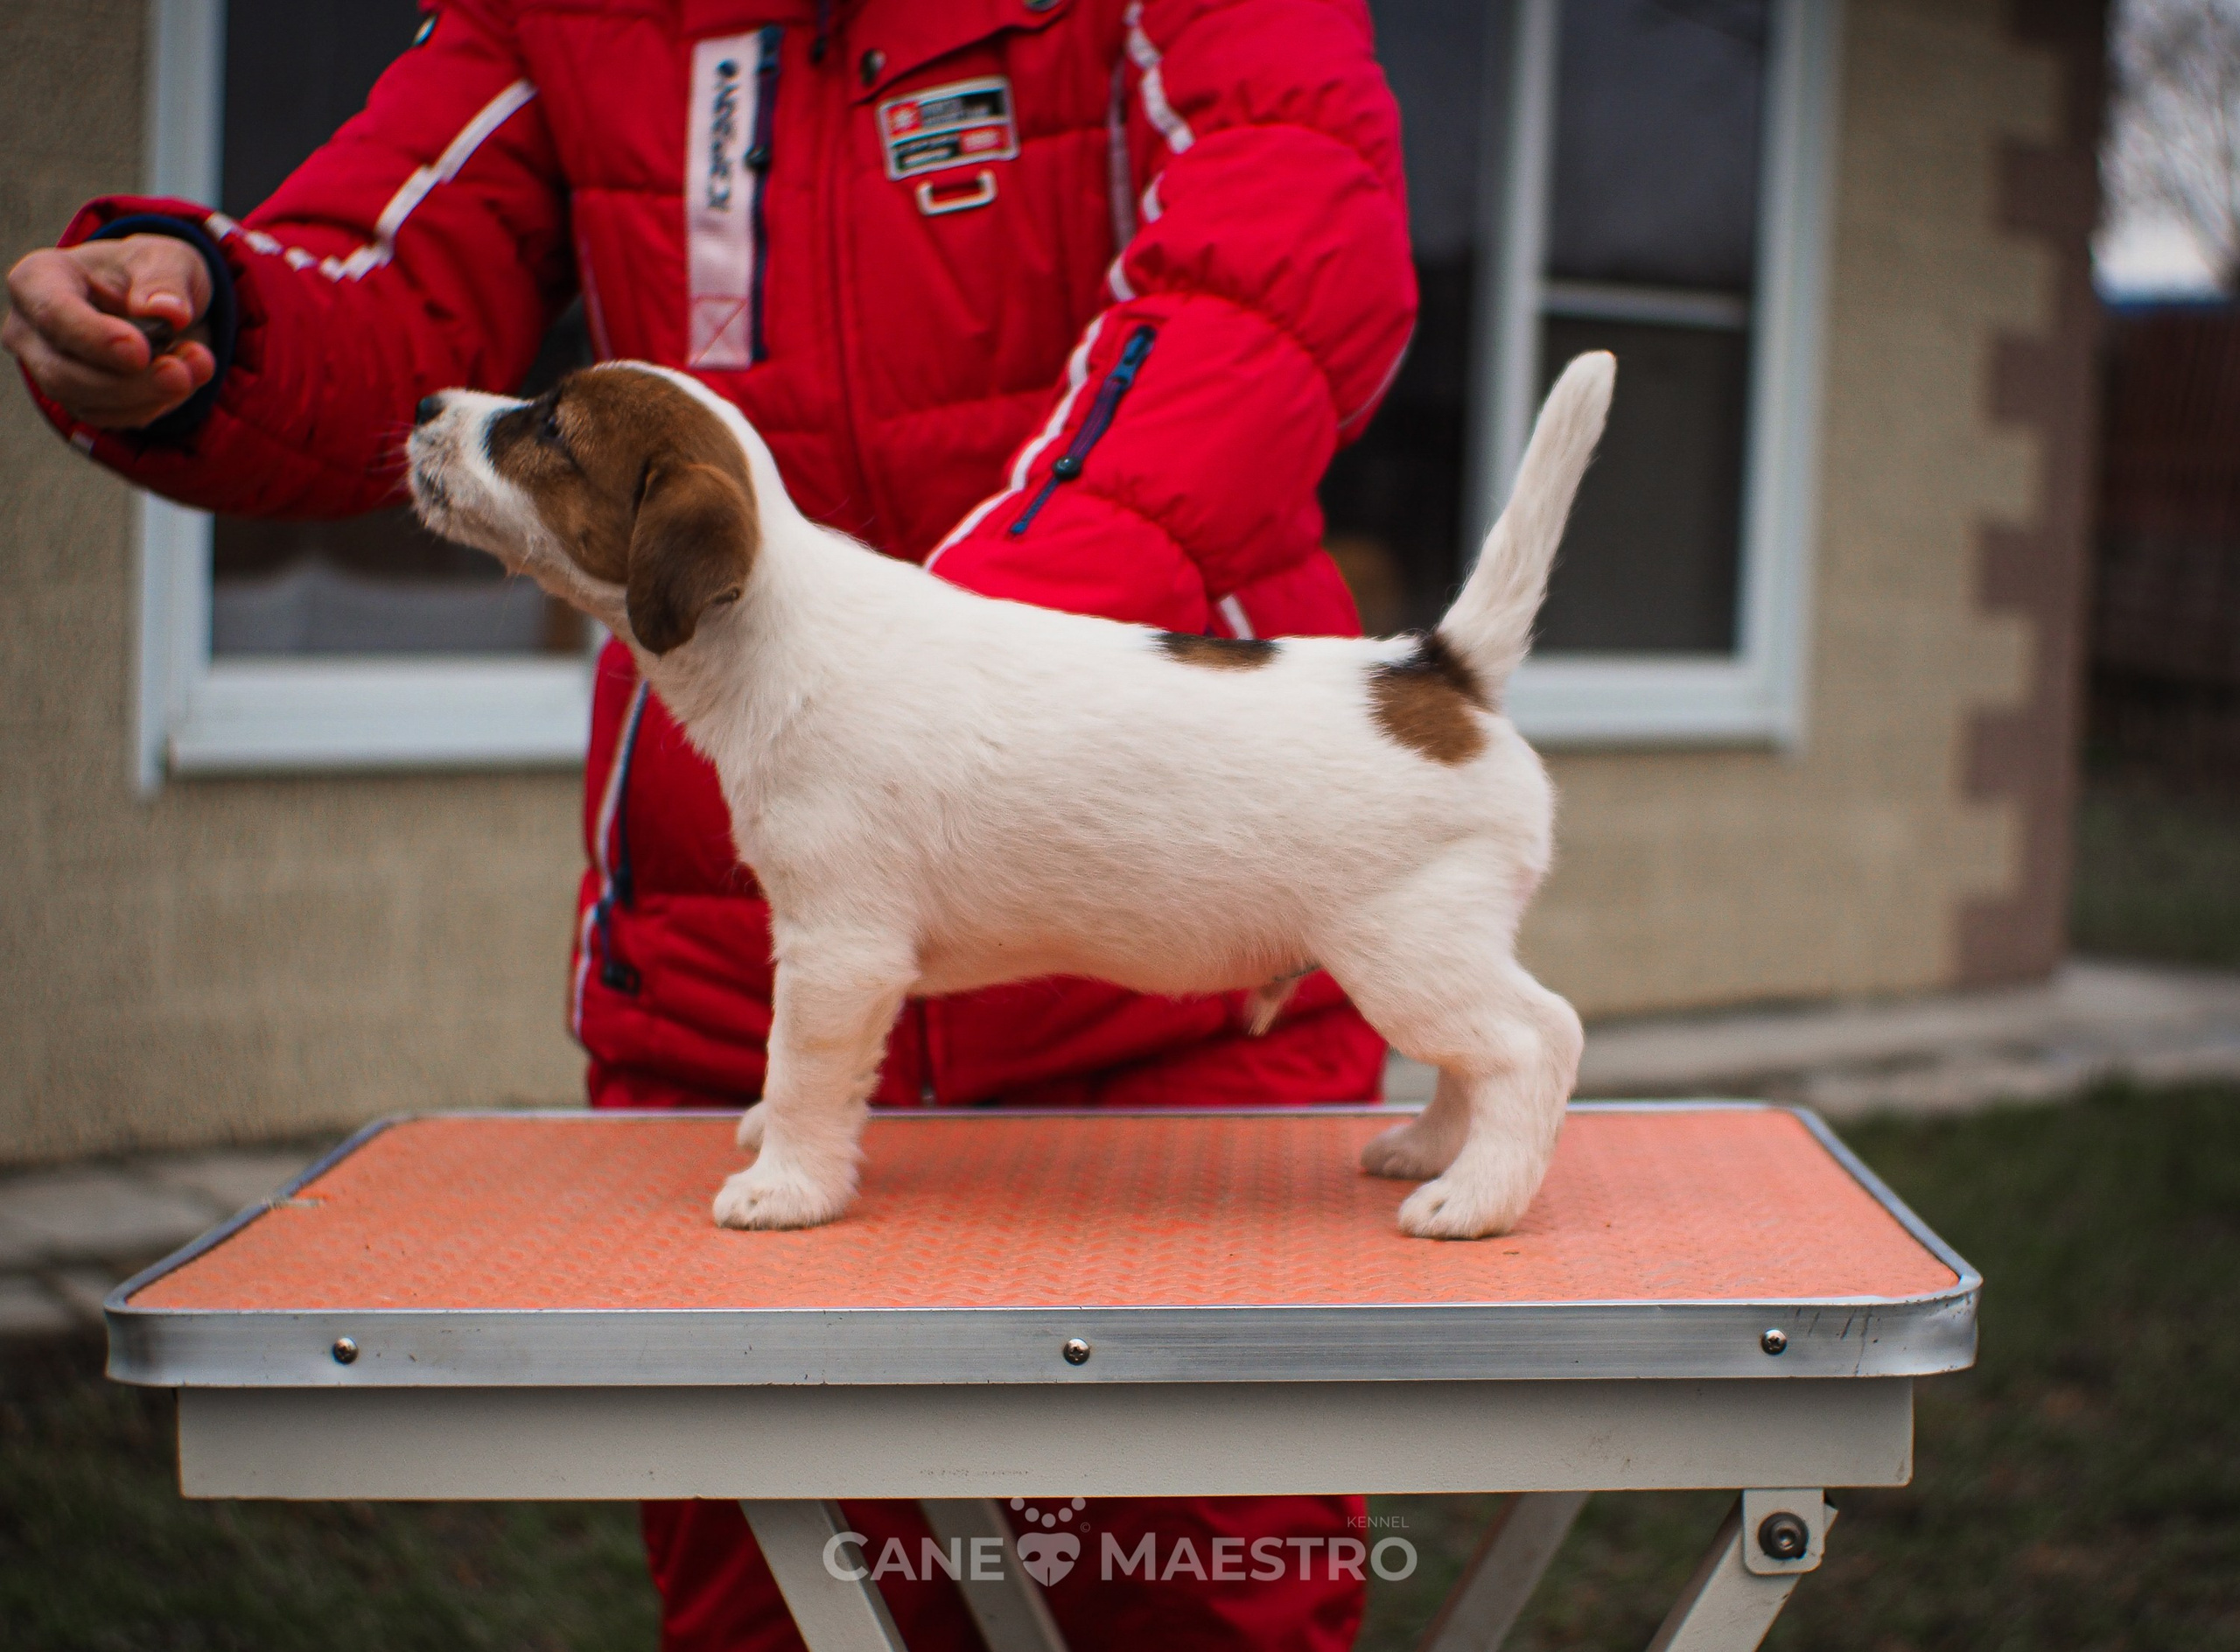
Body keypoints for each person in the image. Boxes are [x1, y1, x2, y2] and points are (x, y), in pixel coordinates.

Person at [7, 2, 1415, 1646]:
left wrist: (954, 712)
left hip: (1173, 979)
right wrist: (205, 323)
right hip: (727, 993)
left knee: (1190, 1612)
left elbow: (1270, 279)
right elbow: (388, 291)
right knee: (791, 1613)